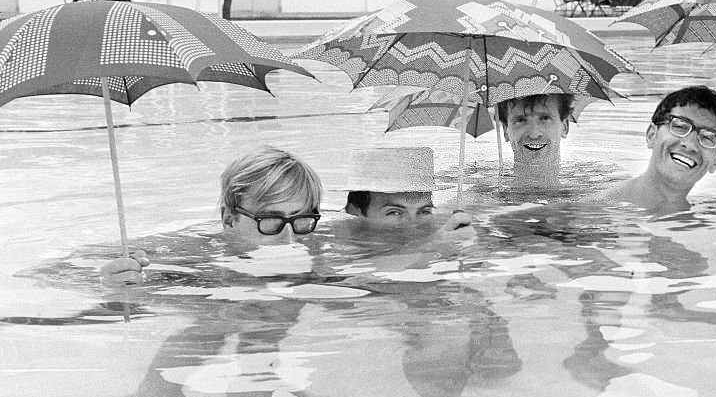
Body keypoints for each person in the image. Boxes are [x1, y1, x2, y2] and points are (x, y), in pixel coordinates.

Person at [102, 144, 324, 285]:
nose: (289, 238)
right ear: (229, 219)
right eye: (270, 220)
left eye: (301, 219)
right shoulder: (186, 254)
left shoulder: (325, 243)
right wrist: (113, 279)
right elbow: (74, 268)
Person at [601, 85, 716, 217]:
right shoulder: (598, 208)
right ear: (652, 135)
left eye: (708, 137)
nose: (690, 144)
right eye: (680, 126)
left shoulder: (711, 215)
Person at [344, 145, 472, 234]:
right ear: (354, 212)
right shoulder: (334, 245)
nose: (413, 225)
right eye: (395, 212)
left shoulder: (448, 226)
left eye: (424, 212)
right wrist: (437, 244)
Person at [495, 93, 574, 190]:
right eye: (520, 120)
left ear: (565, 127)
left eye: (545, 118)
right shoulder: (486, 187)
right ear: (505, 131)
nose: (534, 134)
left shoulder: (586, 183)